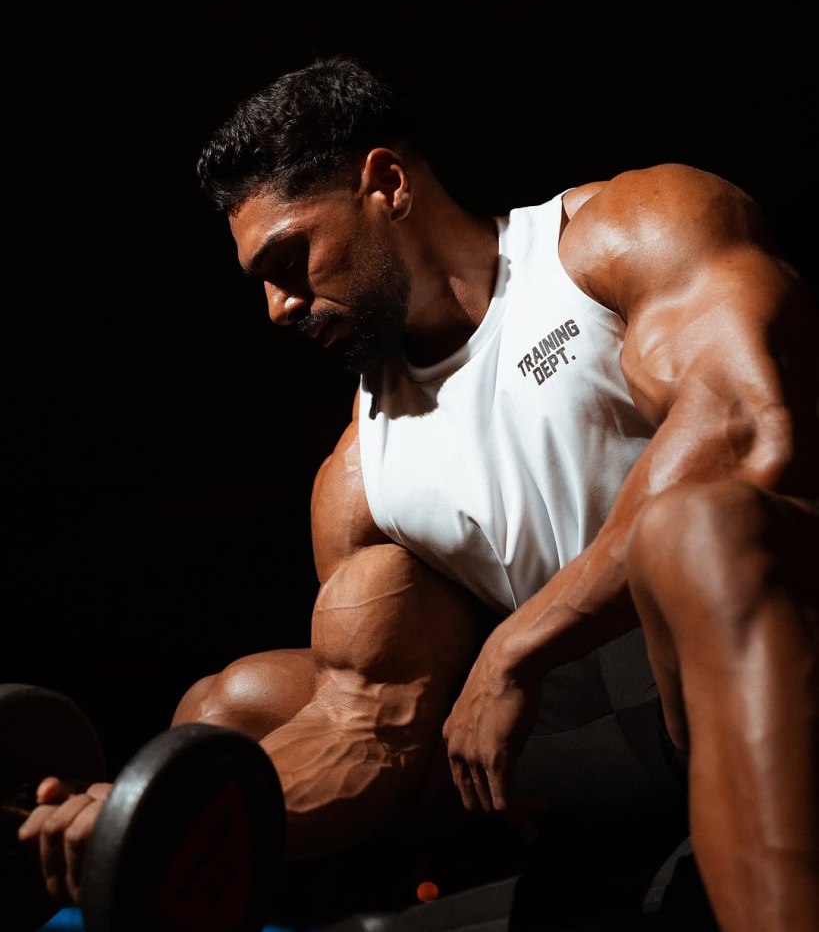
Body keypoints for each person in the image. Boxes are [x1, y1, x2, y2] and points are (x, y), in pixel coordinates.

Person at [18, 56, 819, 931]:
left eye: (289, 258)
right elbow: (369, 719)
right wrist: (154, 815)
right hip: (587, 741)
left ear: (387, 184)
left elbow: (746, 432)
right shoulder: (361, 473)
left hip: (737, 648)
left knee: (699, 531)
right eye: (262, 280)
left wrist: (516, 644)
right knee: (229, 710)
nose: (279, 306)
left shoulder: (613, 236)